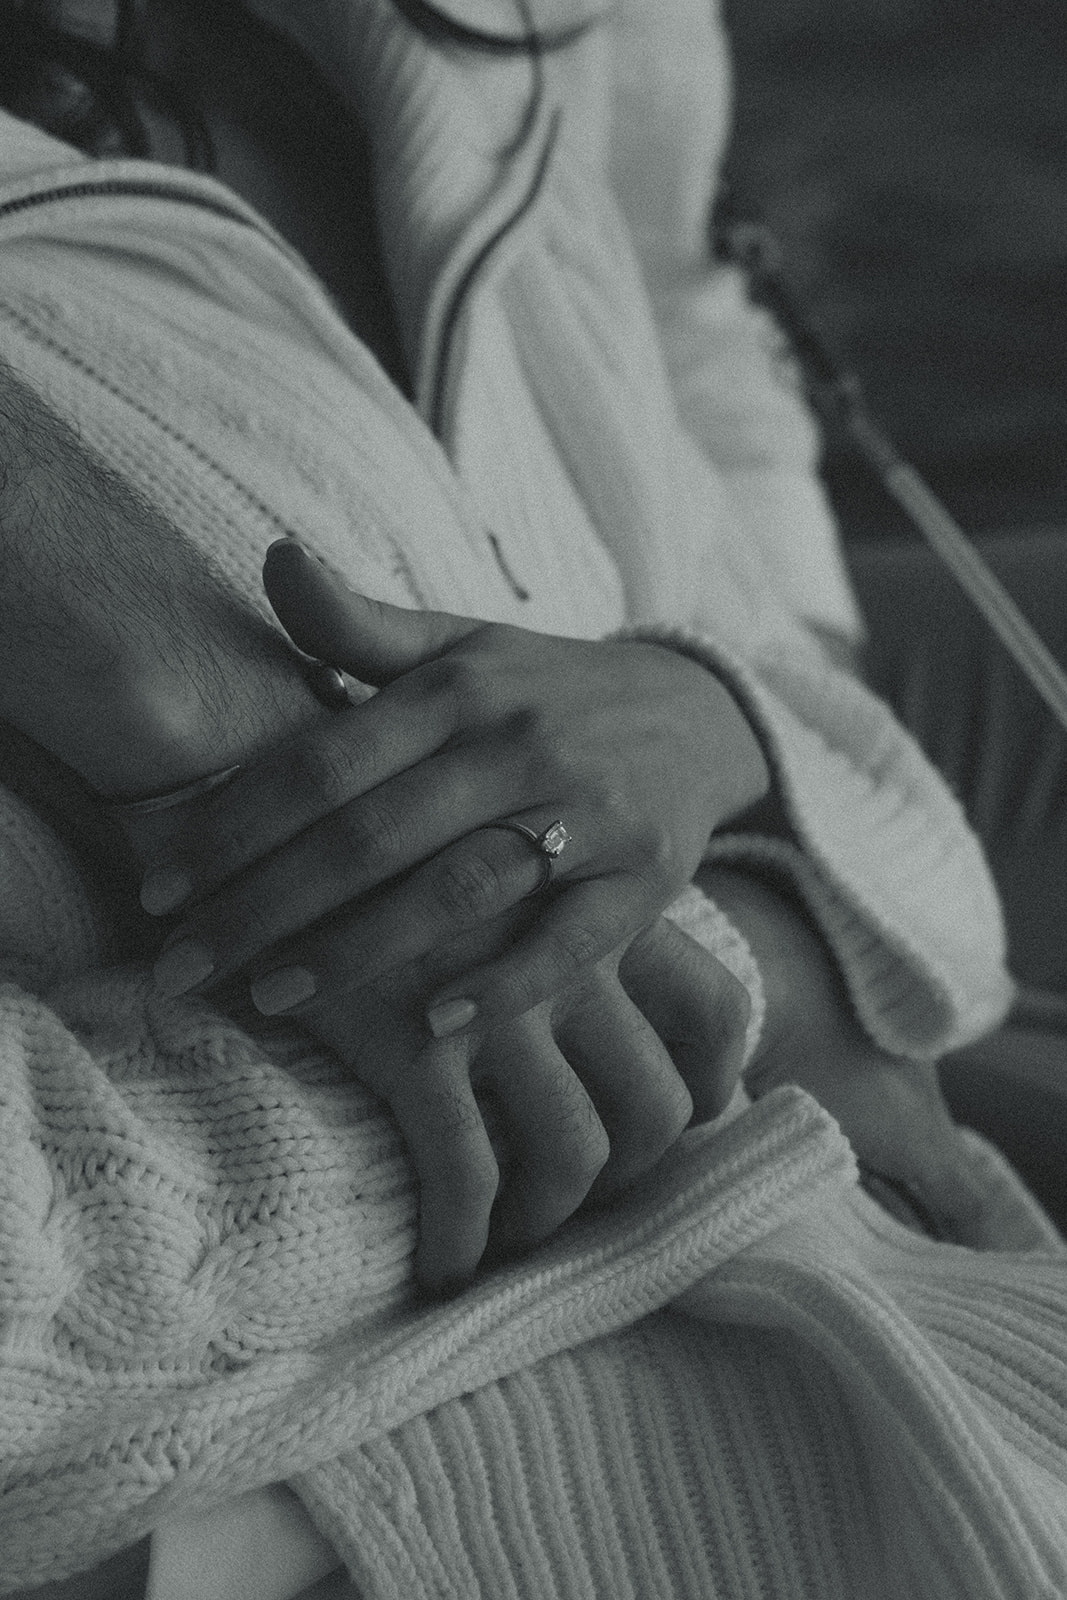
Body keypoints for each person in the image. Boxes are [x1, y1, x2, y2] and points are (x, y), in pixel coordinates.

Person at [0, 2, 1064, 1597]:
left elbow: (662, 312)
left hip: (813, 1096)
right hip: (470, 1427)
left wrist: (710, 719)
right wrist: (732, 984)